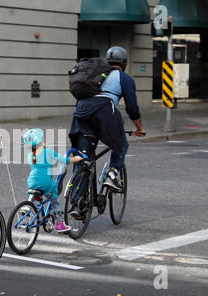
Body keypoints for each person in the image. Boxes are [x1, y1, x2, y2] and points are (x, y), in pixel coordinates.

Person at [68, 46, 146, 190]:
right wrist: (139, 128)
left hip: (81, 114)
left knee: (83, 158)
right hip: (104, 113)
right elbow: (132, 108)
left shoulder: (95, 73)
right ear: (124, 63)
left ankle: (77, 206)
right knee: (121, 143)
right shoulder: (124, 78)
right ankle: (112, 174)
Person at [22, 129, 83, 233]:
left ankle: (27, 207)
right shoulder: (48, 152)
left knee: (34, 189)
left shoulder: (30, 156)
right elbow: (65, 161)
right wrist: (77, 158)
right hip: (46, 182)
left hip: (32, 181)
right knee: (55, 201)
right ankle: (60, 224)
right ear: (41, 142)